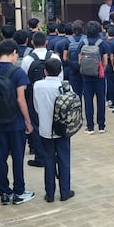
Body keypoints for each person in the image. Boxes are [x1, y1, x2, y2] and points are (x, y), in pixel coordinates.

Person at [0, 39, 35, 205]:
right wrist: (28, 121)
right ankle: (19, 191)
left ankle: (4, 193)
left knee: (0, 157)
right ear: (14, 52)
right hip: (15, 121)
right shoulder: (18, 72)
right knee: (17, 157)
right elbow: (21, 99)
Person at [32, 58, 74, 203]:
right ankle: (65, 191)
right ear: (61, 70)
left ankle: (49, 193)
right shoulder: (66, 86)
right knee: (64, 158)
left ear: (45, 71)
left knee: (48, 160)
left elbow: (36, 107)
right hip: (62, 128)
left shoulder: (37, 85)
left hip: (45, 128)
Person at [20, 32, 63, 168]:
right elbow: (61, 78)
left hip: (35, 95)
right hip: (55, 95)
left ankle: (40, 156)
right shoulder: (55, 57)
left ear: (32, 42)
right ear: (47, 42)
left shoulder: (28, 59)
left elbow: (24, 80)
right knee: (56, 122)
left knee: (37, 124)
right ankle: (56, 153)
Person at [78, 21, 108, 134]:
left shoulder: (83, 43)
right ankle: (101, 126)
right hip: (99, 77)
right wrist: (101, 71)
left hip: (86, 76)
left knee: (88, 101)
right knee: (101, 100)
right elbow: (105, 61)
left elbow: (79, 59)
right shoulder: (102, 43)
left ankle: (90, 127)